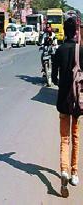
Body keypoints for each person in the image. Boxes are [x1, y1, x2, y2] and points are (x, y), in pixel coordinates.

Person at [52, 17, 83, 198]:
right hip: (78, 103)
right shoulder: (81, 50)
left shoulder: (59, 50)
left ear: (64, 30)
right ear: (77, 31)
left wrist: (63, 84)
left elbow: (54, 78)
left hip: (63, 101)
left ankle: (63, 170)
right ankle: (74, 173)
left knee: (64, 138)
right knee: (76, 136)